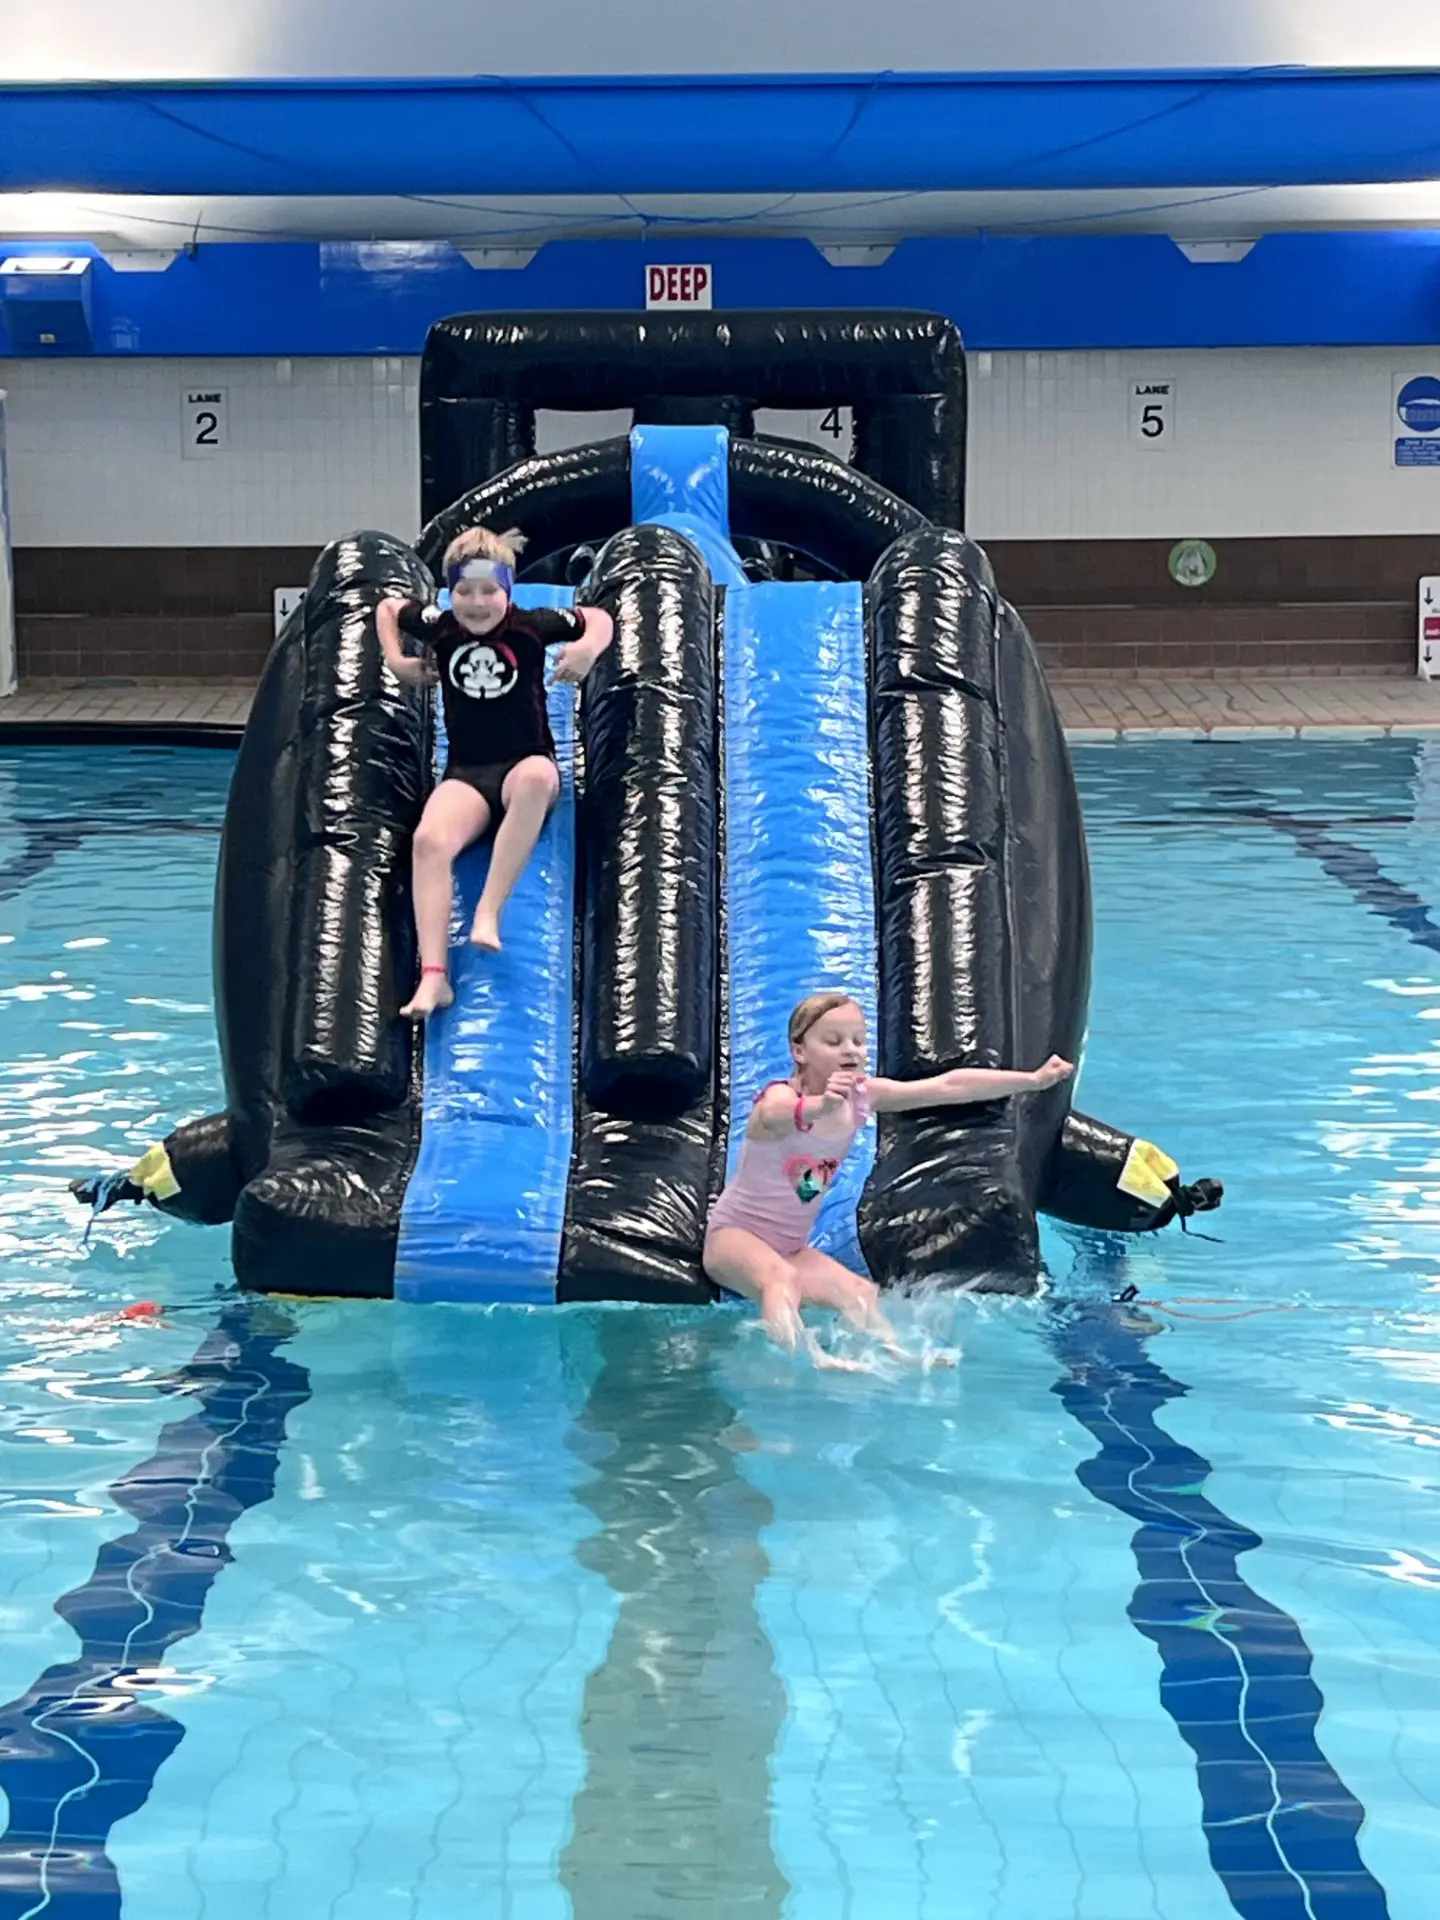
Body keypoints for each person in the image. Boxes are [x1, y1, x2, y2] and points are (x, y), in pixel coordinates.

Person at [704, 991, 1074, 1370]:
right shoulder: (782, 1095)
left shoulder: (860, 1097)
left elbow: (947, 1087)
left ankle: (899, 1358)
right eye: (833, 1041)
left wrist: (1032, 1080)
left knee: (862, 1294)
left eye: (858, 1040)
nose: (850, 1050)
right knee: (781, 1279)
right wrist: (820, 1107)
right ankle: (806, 1362)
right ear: (799, 1051)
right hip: (734, 1238)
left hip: (791, 1247)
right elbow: (773, 1114)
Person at [376, 527, 614, 1019]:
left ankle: (488, 910)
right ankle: (434, 978)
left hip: (524, 761)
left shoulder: (531, 625)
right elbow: (386, 608)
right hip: (466, 774)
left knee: (537, 780)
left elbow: (598, 617)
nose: (477, 602)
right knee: (427, 843)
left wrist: (588, 649)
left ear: (508, 592)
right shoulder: (440, 627)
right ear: (449, 593)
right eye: (465, 591)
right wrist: (397, 660)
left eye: (489, 591)